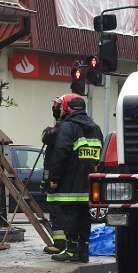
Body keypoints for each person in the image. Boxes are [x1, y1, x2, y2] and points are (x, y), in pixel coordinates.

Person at [46, 94, 103, 263]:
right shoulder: (96, 128)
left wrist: (54, 177)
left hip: (70, 182)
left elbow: (61, 152)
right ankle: (83, 252)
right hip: (88, 182)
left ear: (68, 109)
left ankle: (70, 251)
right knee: (85, 217)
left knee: (69, 216)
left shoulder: (68, 127)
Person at [40, 96, 67, 255]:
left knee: (58, 212)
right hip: (57, 175)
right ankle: (64, 243)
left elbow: (46, 137)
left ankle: (60, 244)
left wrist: (49, 129)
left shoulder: (62, 127)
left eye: (56, 105)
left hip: (59, 178)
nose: (54, 108)